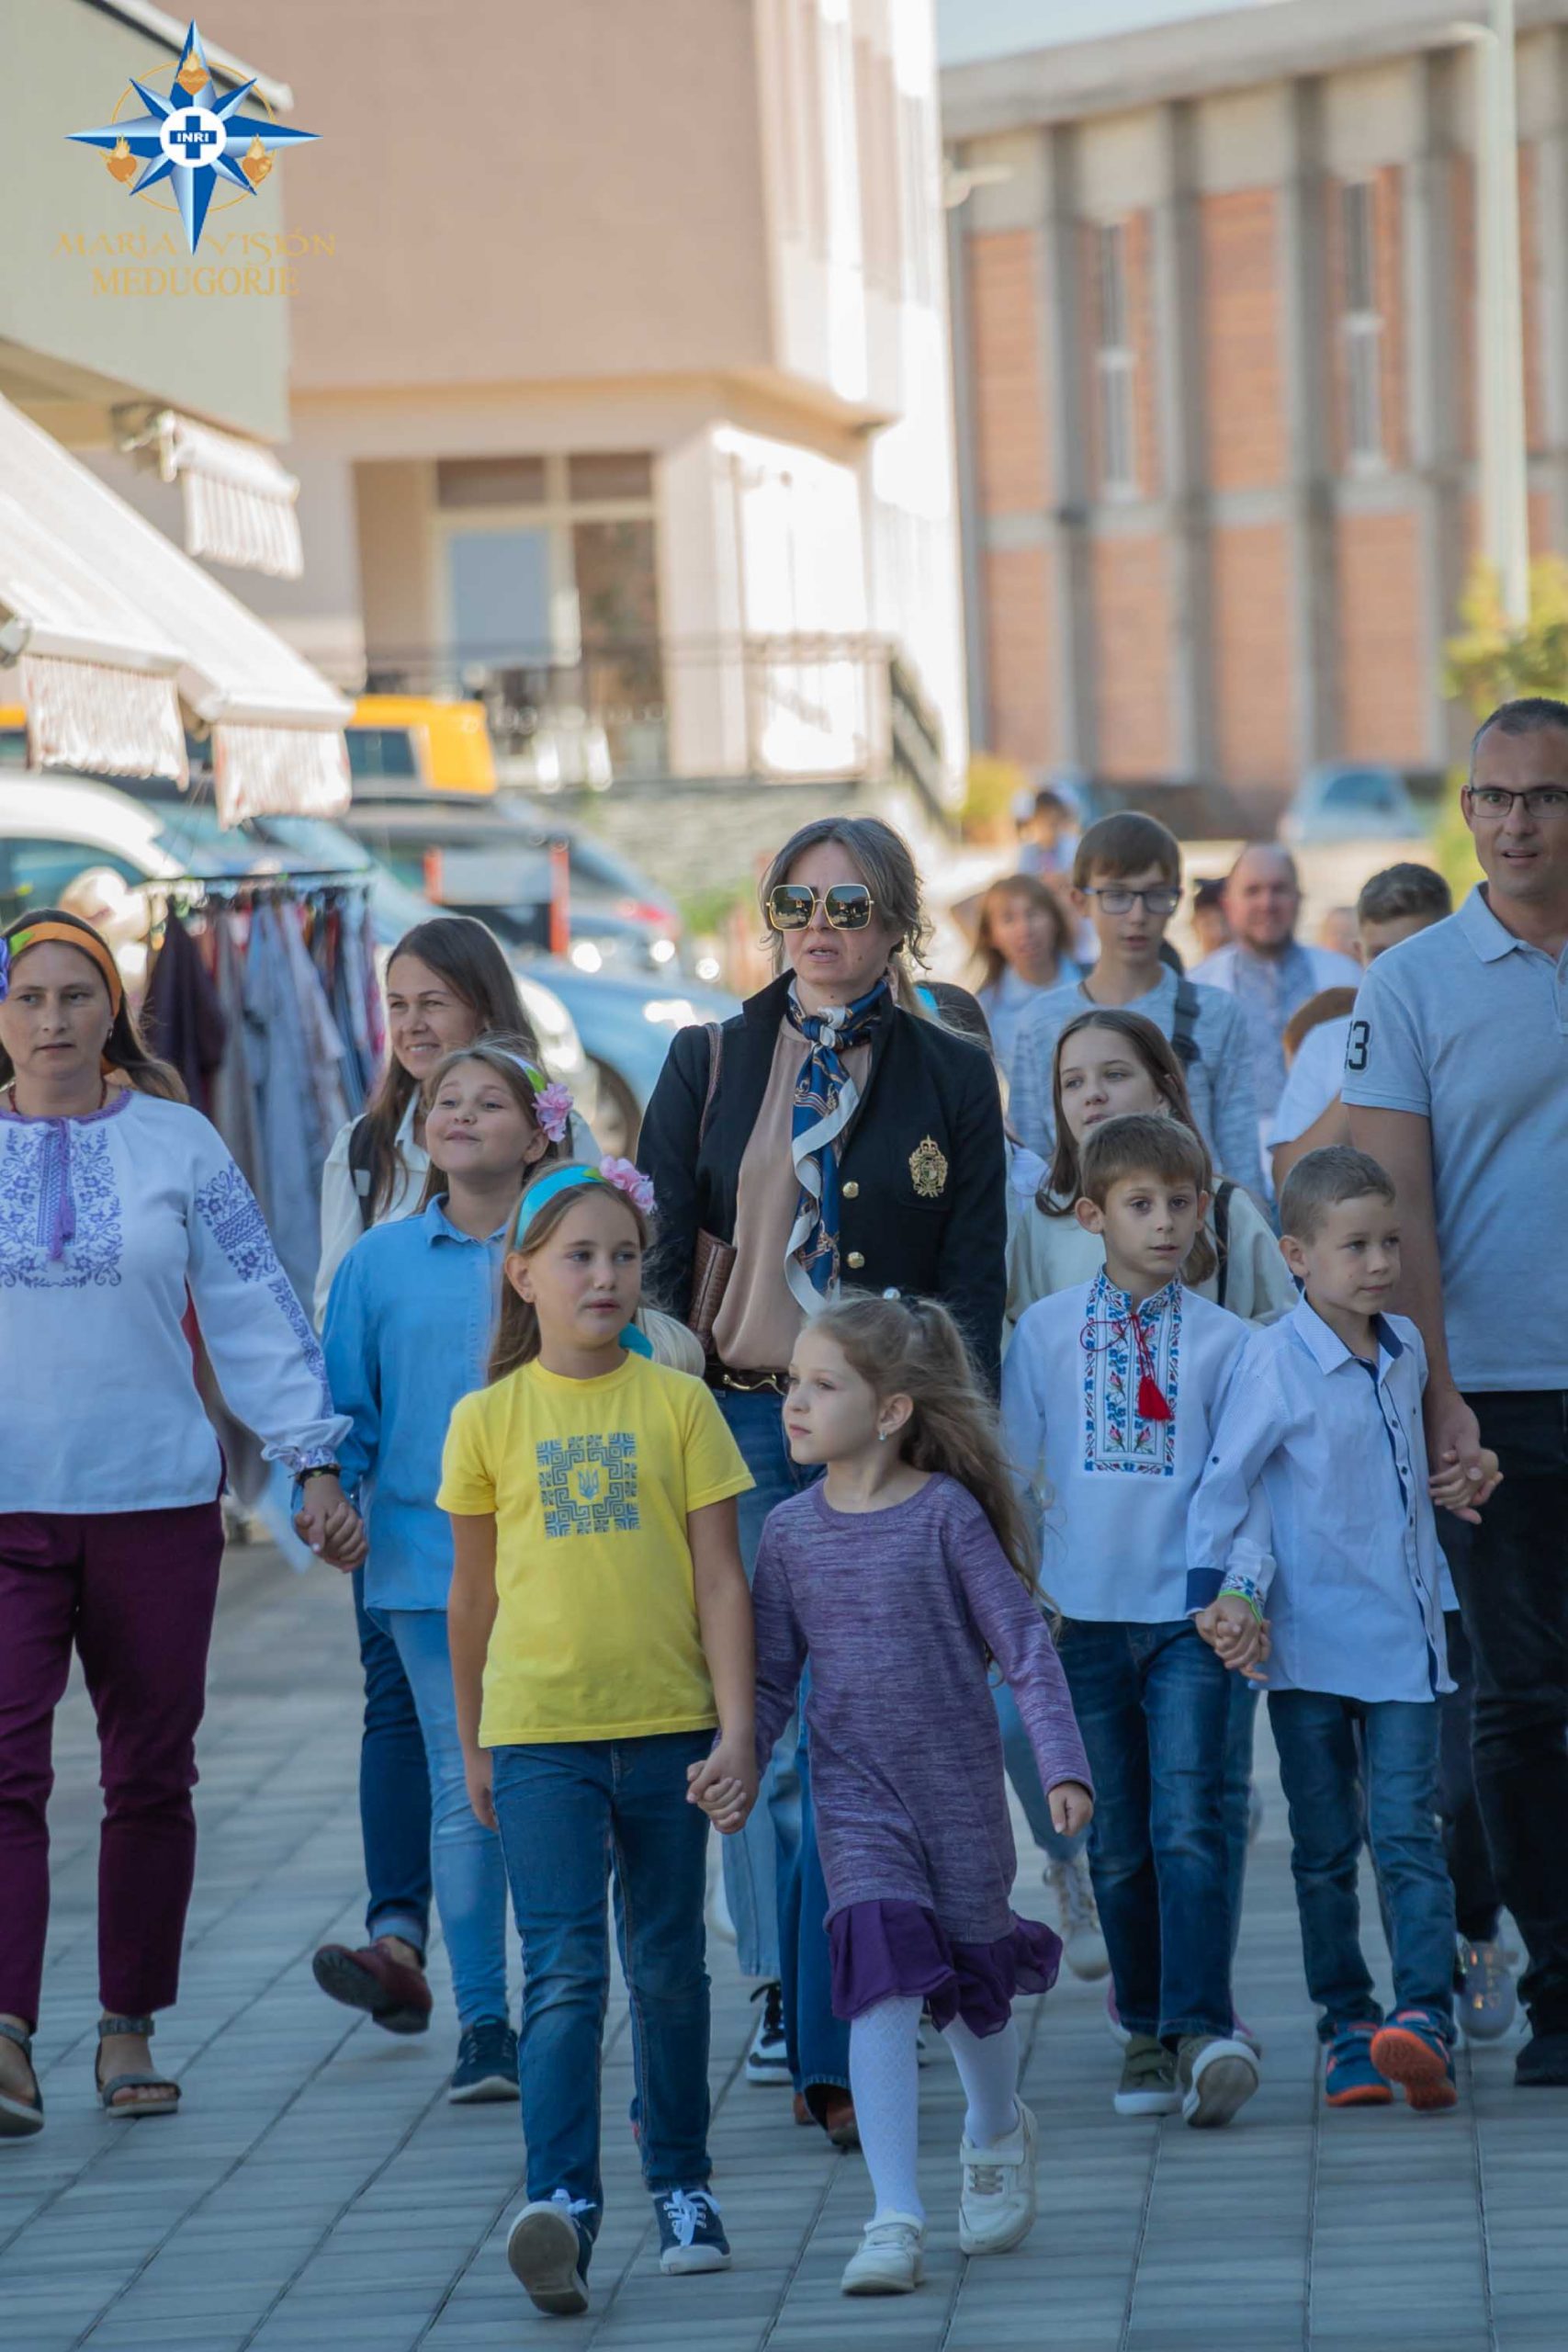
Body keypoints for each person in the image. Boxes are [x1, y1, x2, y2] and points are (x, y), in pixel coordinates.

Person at [637, 816, 1007, 2141]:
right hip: (741, 1422)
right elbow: (663, 1257)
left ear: (895, 917)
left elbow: (973, 1278)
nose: (818, 923)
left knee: (882, 1715)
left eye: (847, 902)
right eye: (794, 902)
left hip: (887, 1432)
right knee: (768, 1724)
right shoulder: (711, 1055)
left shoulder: (954, 1074)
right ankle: (794, 1995)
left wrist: (958, 1449)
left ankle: (867, 1981)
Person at [0, 910, 361, 2137]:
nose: (51, 1019)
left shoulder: (179, 1142)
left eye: (73, 995)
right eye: (28, 997)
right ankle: (4, 2035)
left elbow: (255, 1307)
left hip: (155, 1502)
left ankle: (126, 2026)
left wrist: (309, 1461)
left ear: (113, 1011)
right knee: (4, 1774)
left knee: (150, 1776)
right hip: (5, 1515)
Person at [706, 1295, 1090, 2298]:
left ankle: (997, 2127)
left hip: (956, 1797)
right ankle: (895, 2215)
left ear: (890, 1412)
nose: (792, 1403)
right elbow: (773, 1677)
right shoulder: (788, 1534)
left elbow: (1025, 1651)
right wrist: (738, 1761)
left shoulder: (946, 1516)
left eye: (820, 1385)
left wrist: (1060, 1764)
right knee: (877, 1976)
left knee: (970, 1989)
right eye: (792, 1381)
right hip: (859, 1803)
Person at [442, 1160, 757, 2316]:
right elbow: (469, 1601)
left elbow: (723, 1583)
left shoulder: (680, 1404)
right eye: (579, 1255)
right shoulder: (487, 1419)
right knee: (565, 1972)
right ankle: (562, 2202)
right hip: (540, 1741)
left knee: (670, 1968)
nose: (607, 1275)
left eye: (624, 1255)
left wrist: (737, 1726)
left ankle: (684, 2182)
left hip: (670, 1733)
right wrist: (475, 1746)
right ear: (521, 1274)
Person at [1344, 695, 1568, 2088]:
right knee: (1518, 1699)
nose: (1512, 821)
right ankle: (1558, 1991)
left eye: (1540, 796)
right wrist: (1432, 1399)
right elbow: (1391, 1214)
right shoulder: (1411, 984)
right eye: (1490, 797)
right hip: (1487, 1393)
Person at [1190, 1148, 1499, 2113]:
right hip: (1307, 1645)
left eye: (1390, 1242)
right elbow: (1227, 1485)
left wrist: (1457, 1478)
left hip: (1406, 1639)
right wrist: (1223, 1594)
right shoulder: (1269, 1360)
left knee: (1408, 1830)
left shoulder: (1406, 1348)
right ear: (1295, 1253)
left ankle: (1424, 2018)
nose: (1378, 1262)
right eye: (1355, 1244)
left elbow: (1413, 1474)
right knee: (1324, 1846)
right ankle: (1348, 2027)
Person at [310, 916, 566, 2043]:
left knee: (551, 1781)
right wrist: (324, 1484)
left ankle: (557, 1992)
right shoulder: (368, 1169)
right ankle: (477, 2009)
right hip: (421, 1549)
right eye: (396, 1005)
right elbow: (342, 1346)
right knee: (449, 1757)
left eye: (433, 1004)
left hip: (563, 1543)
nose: (411, 1026)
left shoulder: (568, 1215)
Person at [1001, 1113, 1258, 2129]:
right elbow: (1017, 1473)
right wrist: (1020, 1599)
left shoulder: (1233, 1342)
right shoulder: (1047, 1332)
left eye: (1180, 1203)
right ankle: (1145, 2029)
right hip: (1082, 1623)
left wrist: (1240, 1588)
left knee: (1190, 1822)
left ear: (1204, 1210)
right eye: (1139, 1205)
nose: (1163, 1223)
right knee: (1115, 1840)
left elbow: (1247, 1484)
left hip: (1189, 1622)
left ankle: (1204, 2031)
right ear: (1091, 1214)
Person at [1008, 813, 1264, 1196]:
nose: (1138, 916)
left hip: (1195, 1232)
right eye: (1116, 896)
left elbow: (1240, 1157)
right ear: (1080, 901)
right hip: (1078, 1233)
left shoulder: (1217, 1013)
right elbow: (1029, 1166)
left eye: (1156, 895)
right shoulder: (1041, 1021)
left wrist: (1249, 1242)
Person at [1008, 1009, 1296, 1329]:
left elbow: (1283, 1325)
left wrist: (1214, 1343)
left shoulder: (1224, 1206)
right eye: (1073, 1082)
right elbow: (1020, 1333)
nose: (1093, 1094)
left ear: (1162, 1092)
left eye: (1115, 1075)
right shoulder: (1047, 1213)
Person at [1269, 865, 1452, 1193]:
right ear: (1359, 955)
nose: (1397, 974)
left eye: (1413, 954)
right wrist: (1369, 1066)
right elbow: (1289, 1179)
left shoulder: (1476, 1035)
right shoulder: (1327, 1042)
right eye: (1382, 956)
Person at [1191, 843, 1360, 1148]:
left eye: (1279, 889)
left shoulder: (1348, 977)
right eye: (1252, 891)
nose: (1267, 903)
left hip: (1333, 1162)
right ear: (1228, 903)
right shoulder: (1196, 988)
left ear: (1299, 899)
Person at [971, 875, 1079, 1083]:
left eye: (1034, 914)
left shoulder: (1095, 982)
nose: (1025, 930)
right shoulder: (985, 1008)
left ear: (1055, 920)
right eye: (1008, 919)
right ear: (991, 935)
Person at [1190, 876, 1232, 961]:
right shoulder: (1189, 974)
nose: (1218, 933)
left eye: (1225, 922)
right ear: (1194, 927)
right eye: (1208, 924)